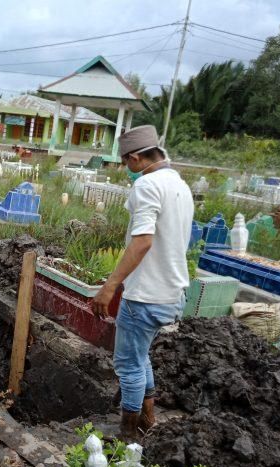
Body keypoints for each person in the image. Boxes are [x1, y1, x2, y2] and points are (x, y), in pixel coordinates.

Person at [91, 125, 194, 442]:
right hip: (171, 292)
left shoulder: (147, 186)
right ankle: (149, 419)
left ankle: (128, 432)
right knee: (140, 358)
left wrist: (110, 286)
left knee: (127, 365)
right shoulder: (179, 185)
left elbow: (142, 242)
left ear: (136, 158)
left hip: (145, 295)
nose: (127, 170)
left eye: (126, 163)